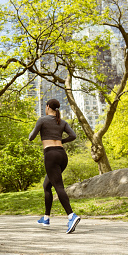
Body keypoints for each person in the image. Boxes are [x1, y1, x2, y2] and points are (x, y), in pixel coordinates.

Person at [29, 98, 81, 234]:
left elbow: (31, 137)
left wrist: (36, 131)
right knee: (47, 185)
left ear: (47, 107)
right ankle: (46, 218)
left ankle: (71, 215)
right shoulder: (62, 122)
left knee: (58, 186)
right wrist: (61, 140)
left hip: (51, 155)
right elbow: (73, 135)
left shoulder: (42, 120)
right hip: (62, 155)